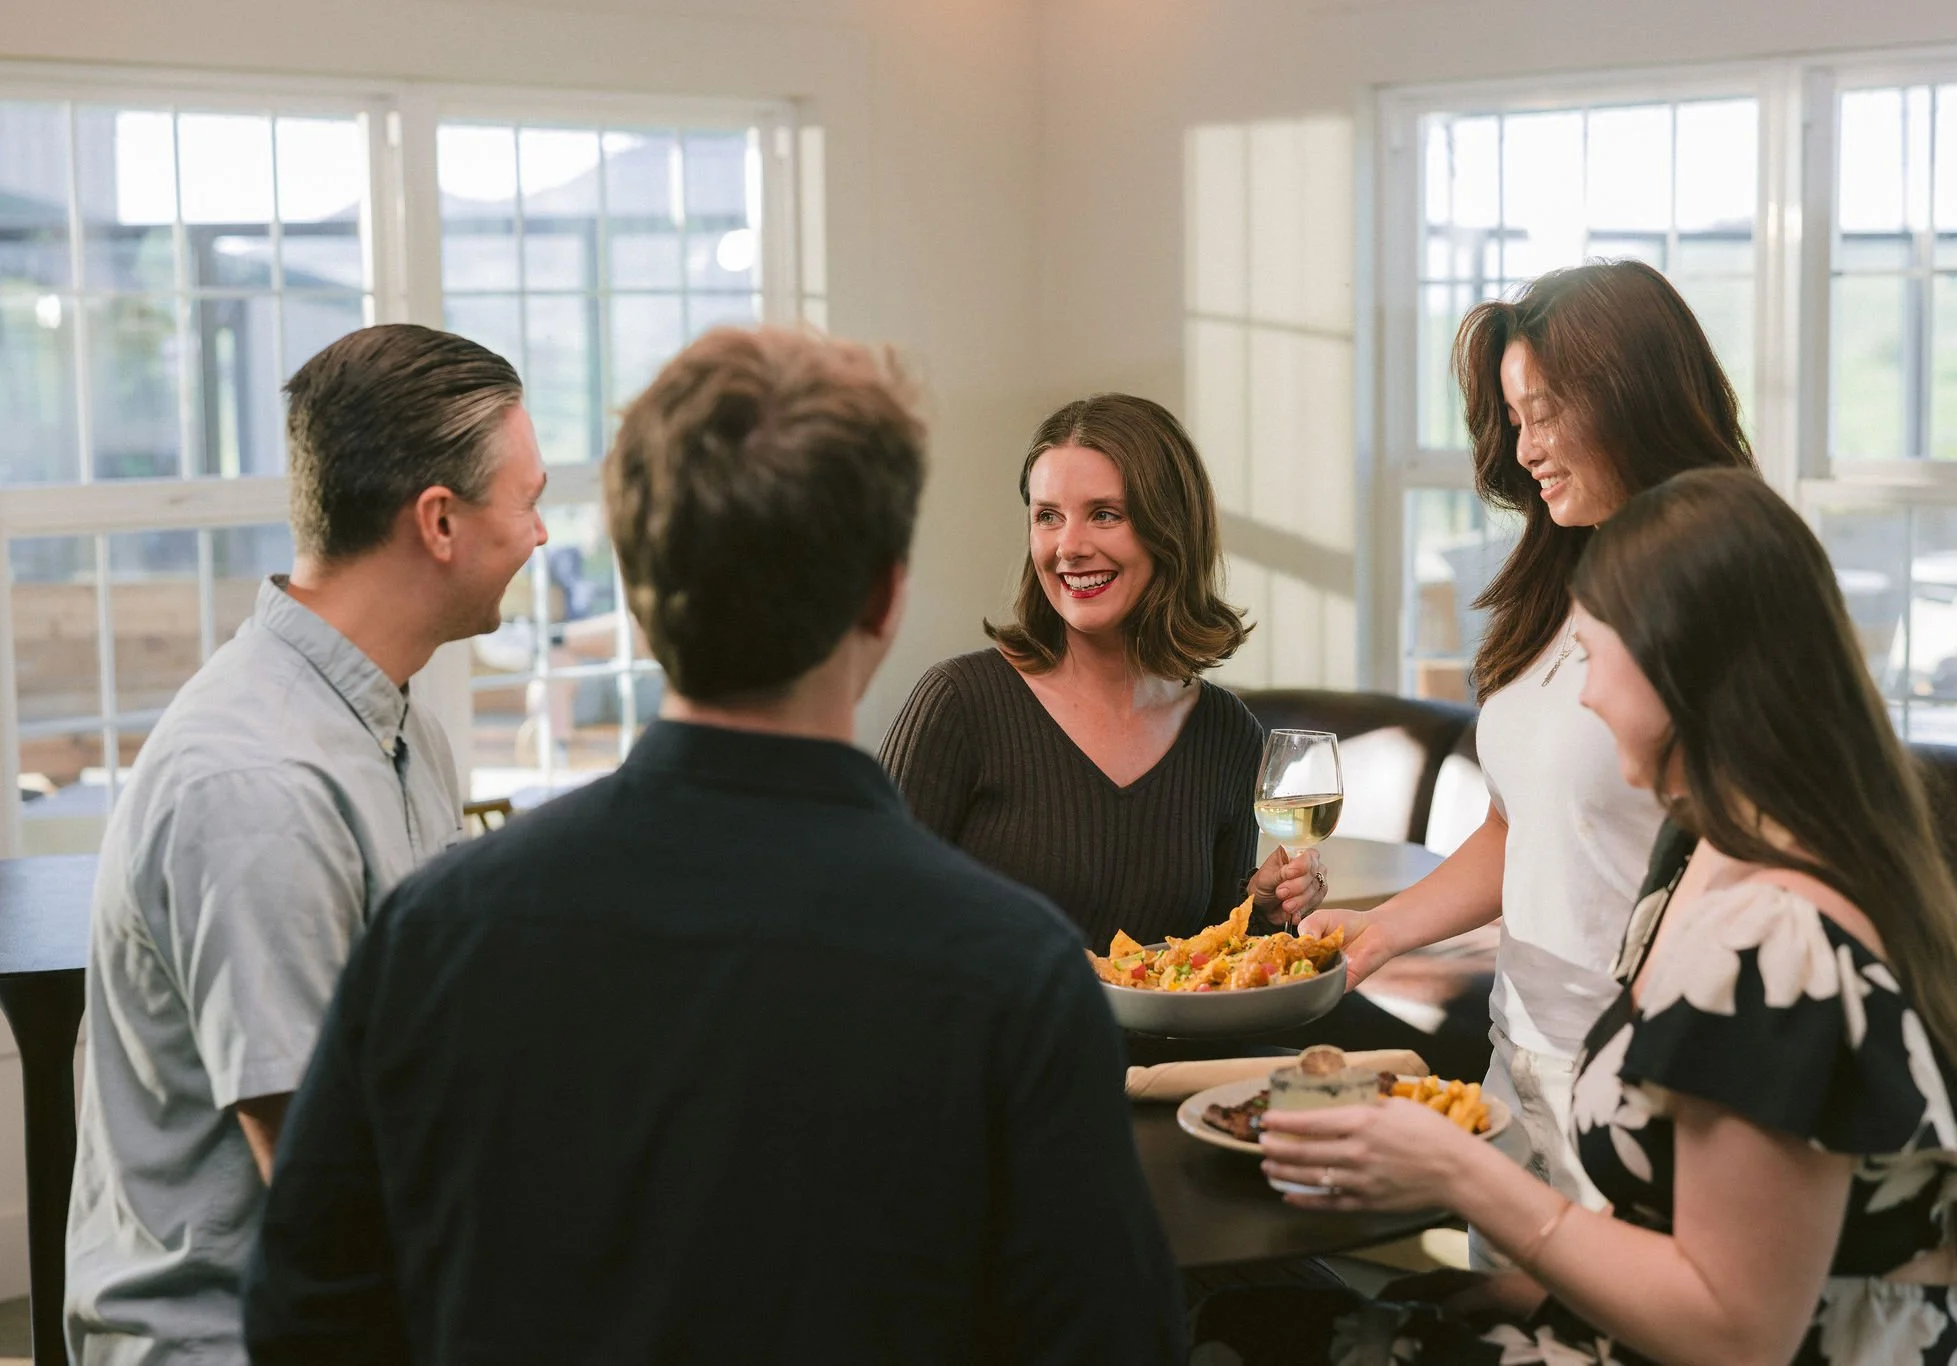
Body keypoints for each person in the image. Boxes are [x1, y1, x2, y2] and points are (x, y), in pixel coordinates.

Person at [242, 328, 1186, 1365]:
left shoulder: (435, 932)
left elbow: (311, 1318)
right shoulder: (1014, 975)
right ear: (883, 595)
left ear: (640, 599)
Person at [1261, 468, 1957, 1364]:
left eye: (1592, 657)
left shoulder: (1776, 942)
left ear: (1684, 668)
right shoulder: (1696, 857)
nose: (1585, 697)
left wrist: (1458, 1170)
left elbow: (1737, 1334)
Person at [66, 324, 548, 1364]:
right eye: (529, 498)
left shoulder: (398, 727)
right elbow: (332, 1186)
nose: (543, 533)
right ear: (439, 521)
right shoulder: (257, 785)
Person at [1300, 261, 1755, 1222]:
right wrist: (1380, 930)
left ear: (1633, 400)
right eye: (1514, 418)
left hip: (1657, 1079)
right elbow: (1524, 826)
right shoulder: (1556, 583)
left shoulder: (1725, 591)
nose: (1527, 447)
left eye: (1544, 412)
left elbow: (1754, 850)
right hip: (1526, 1055)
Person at [879, 393, 1325, 956]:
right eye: (1048, 517)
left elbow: (1210, 962)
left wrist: (1260, 910)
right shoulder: (959, 704)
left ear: (1171, 530)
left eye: (1105, 514)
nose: (1069, 547)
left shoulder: (1227, 733)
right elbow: (867, 923)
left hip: (1168, 1048)